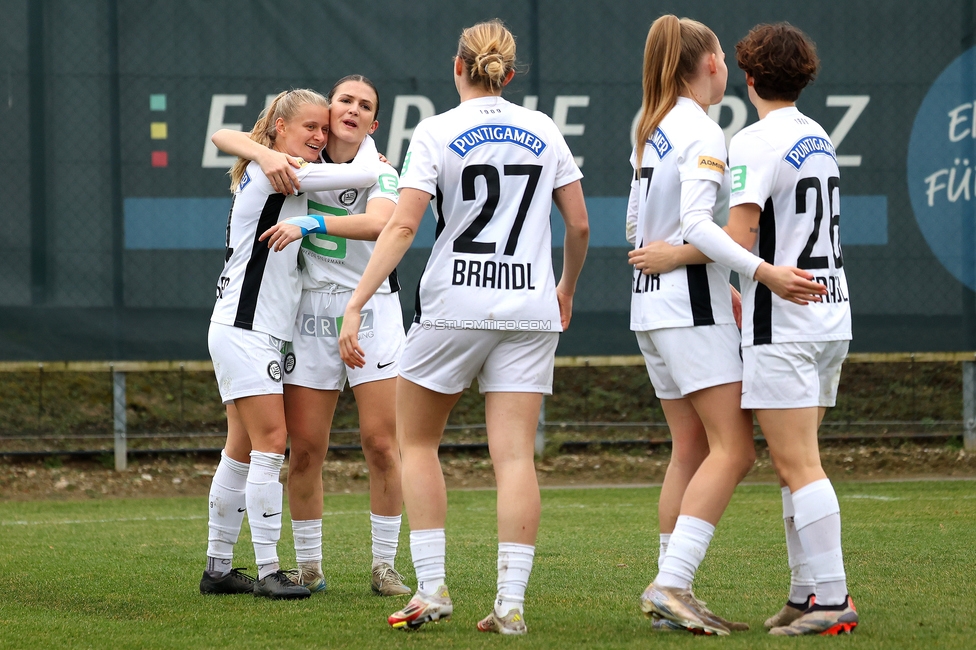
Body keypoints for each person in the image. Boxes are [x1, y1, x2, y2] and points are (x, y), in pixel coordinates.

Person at [336, 19, 589, 636]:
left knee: (417, 445)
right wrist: (565, 289)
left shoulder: (437, 130)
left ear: (459, 67)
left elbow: (401, 226)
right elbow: (579, 226)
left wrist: (357, 302)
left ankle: (430, 588)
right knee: (513, 459)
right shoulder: (543, 128)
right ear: (506, 70)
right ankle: (510, 605)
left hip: (453, 306)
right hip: (529, 308)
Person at [625, 15, 828, 635]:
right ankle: (672, 584)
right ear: (711, 64)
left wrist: (687, 261)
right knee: (735, 451)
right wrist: (746, 273)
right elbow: (694, 228)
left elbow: (636, 233)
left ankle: (669, 601)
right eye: (720, 56)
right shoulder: (705, 131)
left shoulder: (650, 127)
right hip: (690, 308)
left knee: (689, 450)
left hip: (650, 308)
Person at [212, 75, 411, 597]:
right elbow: (225, 139)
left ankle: (384, 566)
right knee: (302, 450)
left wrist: (311, 227)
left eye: (364, 105)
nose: (350, 112)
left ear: (374, 121)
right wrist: (265, 152)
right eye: (343, 101)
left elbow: (382, 224)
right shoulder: (297, 166)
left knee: (382, 444)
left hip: (371, 312)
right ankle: (306, 568)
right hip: (307, 316)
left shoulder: (381, 169)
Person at [727, 23, 857, 636]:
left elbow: (739, 236)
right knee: (795, 463)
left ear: (749, 78)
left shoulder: (754, 140)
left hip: (785, 317)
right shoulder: (818, 136)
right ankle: (807, 594)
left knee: (798, 462)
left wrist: (682, 248)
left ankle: (833, 598)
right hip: (829, 313)